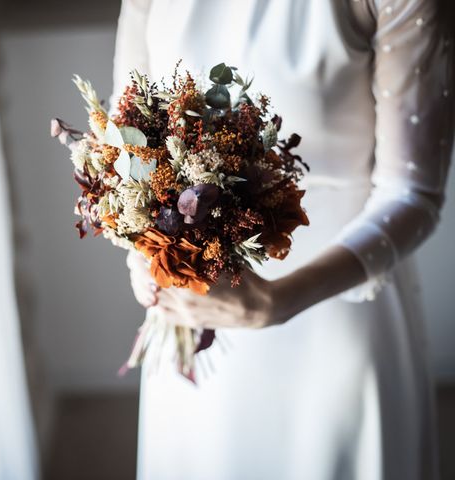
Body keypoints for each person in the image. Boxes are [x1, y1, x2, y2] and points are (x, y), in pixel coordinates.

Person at [114, 0, 455, 478]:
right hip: (191, 307)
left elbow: (413, 192)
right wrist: (139, 246)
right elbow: (125, 138)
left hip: (338, 305)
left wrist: (276, 301)